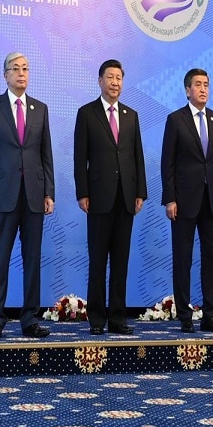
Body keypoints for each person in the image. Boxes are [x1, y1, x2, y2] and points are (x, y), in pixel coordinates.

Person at [0, 52, 55, 339]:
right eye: (16, 69)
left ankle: (29, 319)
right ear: (5, 75)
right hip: (4, 193)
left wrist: (49, 191)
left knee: (32, 258)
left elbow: (45, 154)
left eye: (25, 68)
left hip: (34, 194)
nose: (21, 73)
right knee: (0, 257)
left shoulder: (40, 108)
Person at [74, 59, 147, 335]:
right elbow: (80, 159)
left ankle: (118, 317)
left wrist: (140, 191)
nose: (115, 82)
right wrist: (83, 192)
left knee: (121, 260)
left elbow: (137, 155)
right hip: (98, 197)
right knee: (97, 260)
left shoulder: (131, 115)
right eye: (110, 77)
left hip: (126, 197)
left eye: (119, 78)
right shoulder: (87, 113)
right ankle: (96, 318)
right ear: (100, 81)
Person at [161, 68, 213, 333]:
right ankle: (185, 315)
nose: (203, 89)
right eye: (198, 85)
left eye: (206, 85)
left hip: (211, 199)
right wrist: (170, 199)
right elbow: (168, 163)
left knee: (211, 258)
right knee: (183, 259)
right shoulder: (175, 119)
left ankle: (210, 315)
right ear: (187, 89)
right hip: (184, 201)